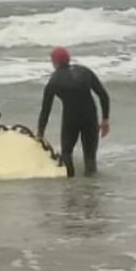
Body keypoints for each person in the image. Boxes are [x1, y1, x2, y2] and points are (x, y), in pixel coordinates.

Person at [36, 47, 110, 177]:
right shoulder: (85, 71)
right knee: (90, 157)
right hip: (90, 116)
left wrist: (40, 133)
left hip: (71, 119)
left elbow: (46, 110)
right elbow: (103, 95)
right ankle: (92, 191)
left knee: (66, 154)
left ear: (55, 62)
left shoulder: (54, 81)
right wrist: (105, 120)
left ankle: (70, 188)